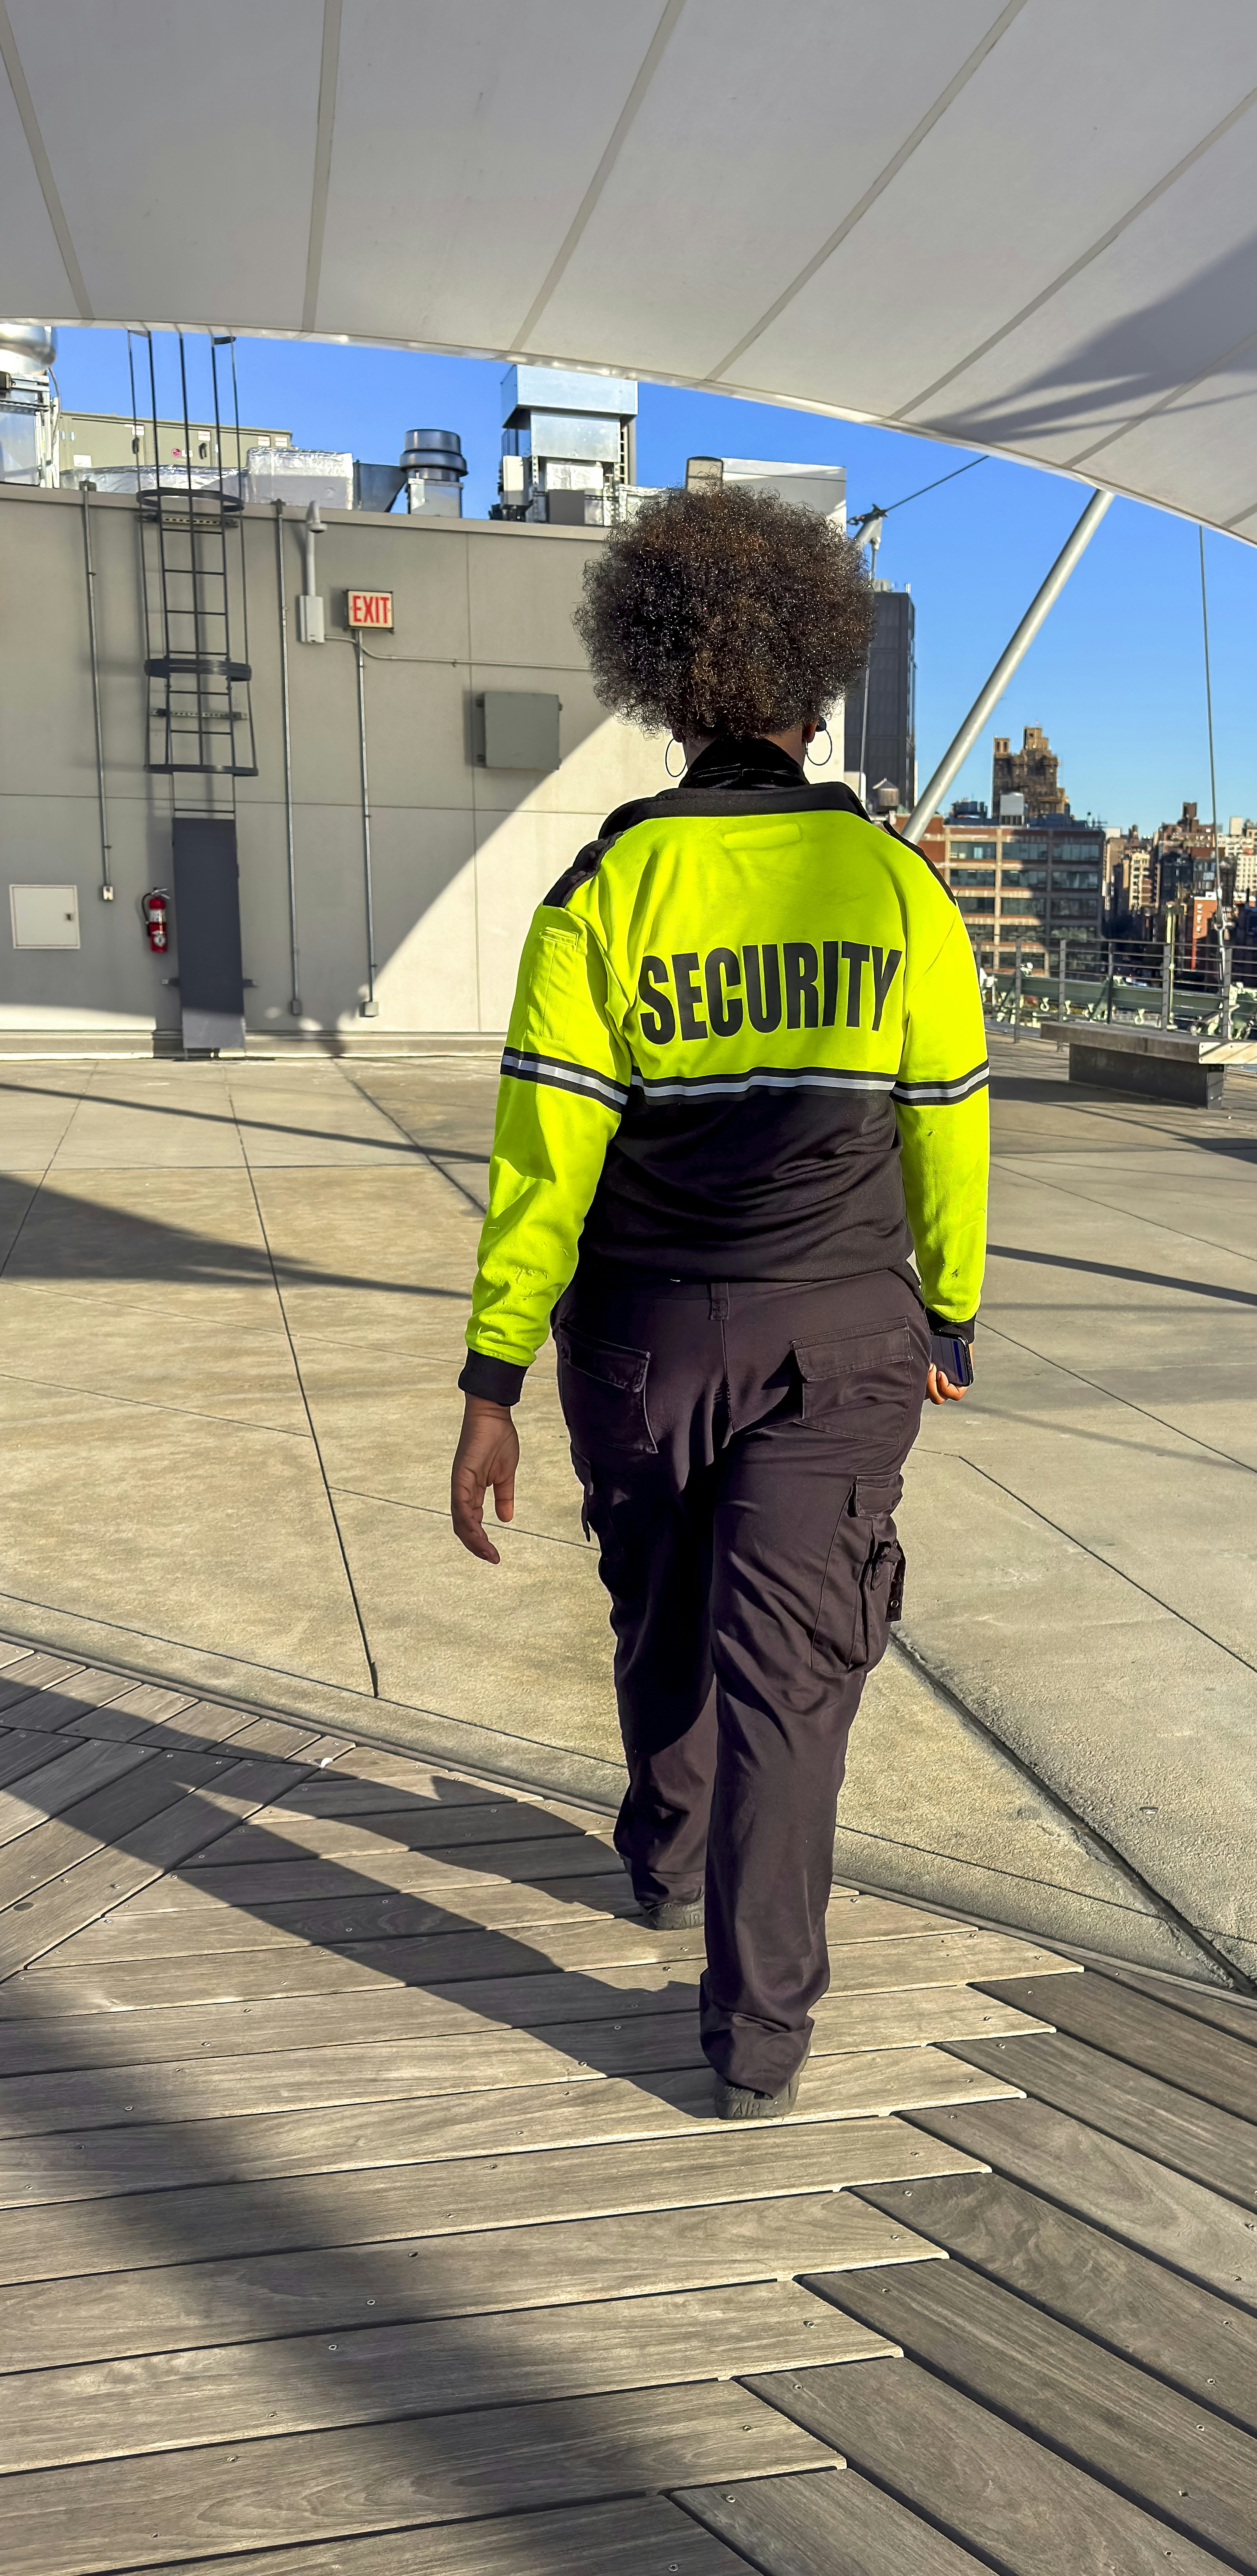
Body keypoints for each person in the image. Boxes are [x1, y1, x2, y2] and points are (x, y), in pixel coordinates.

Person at [447, 484, 987, 2121]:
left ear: (668, 694)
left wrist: (489, 1380)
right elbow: (949, 1126)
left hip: (637, 1334)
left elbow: (545, 1160)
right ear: (812, 700)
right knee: (791, 1671)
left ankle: (664, 1852)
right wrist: (948, 1313)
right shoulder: (900, 895)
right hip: (839, 1331)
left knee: (657, 1602)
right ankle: (756, 2041)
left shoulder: (598, 897)